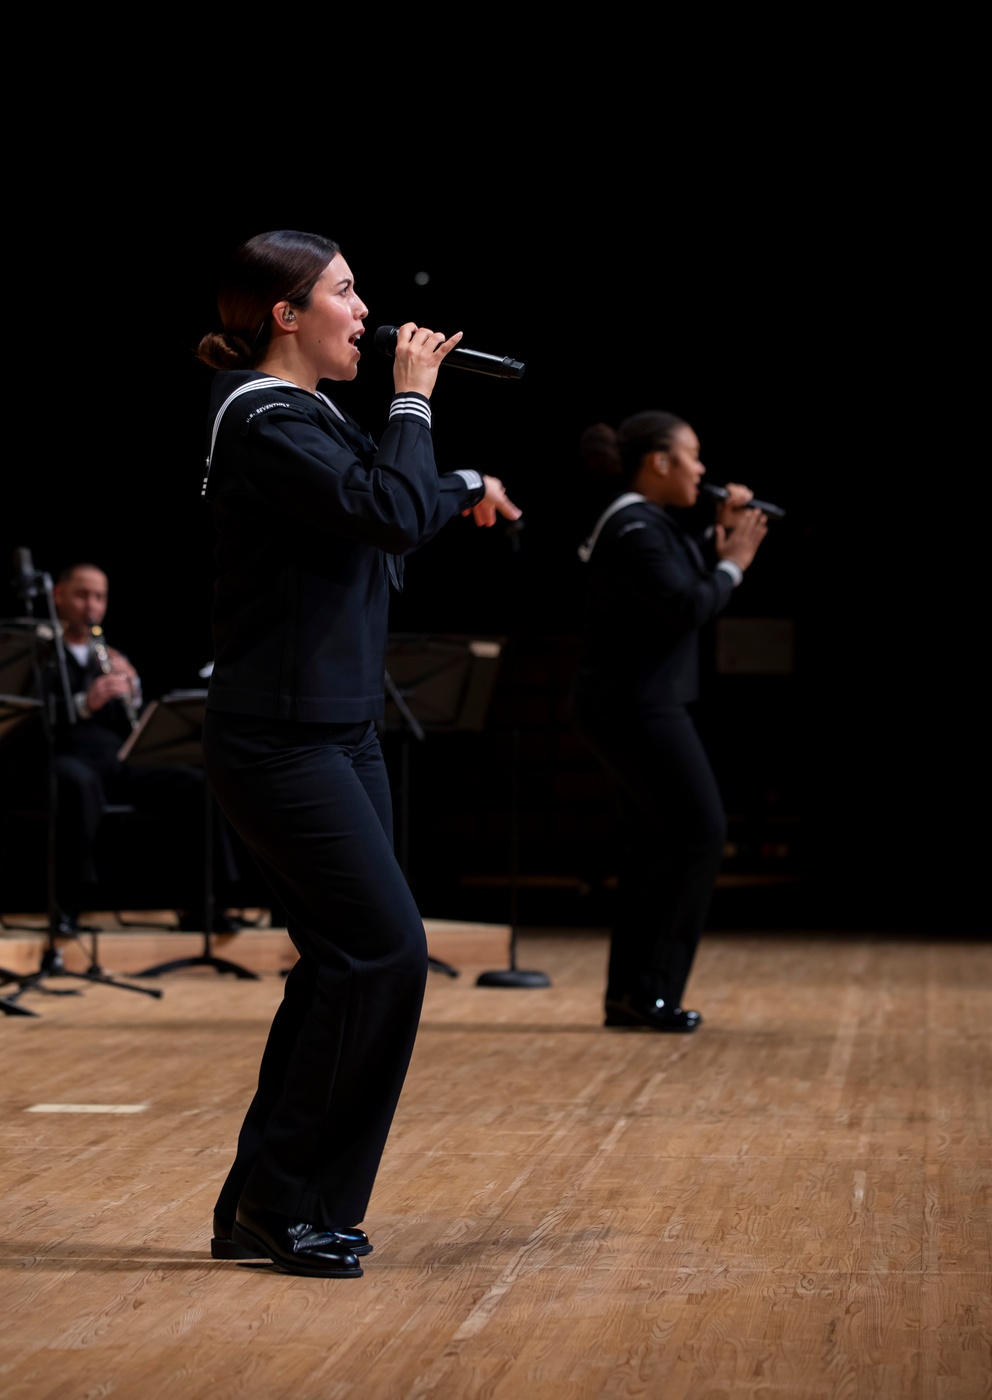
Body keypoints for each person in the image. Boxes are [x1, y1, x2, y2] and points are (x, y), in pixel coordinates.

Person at [196, 229, 521, 1279]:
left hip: (337, 728)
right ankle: (286, 1201)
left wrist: (459, 471)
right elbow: (387, 508)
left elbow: (394, 499)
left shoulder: (312, 419)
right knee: (381, 950)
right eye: (344, 291)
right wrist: (417, 400)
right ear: (285, 315)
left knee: (345, 961)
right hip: (280, 736)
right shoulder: (259, 417)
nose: (366, 310)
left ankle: (265, 1199)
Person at [569, 412, 769, 1033]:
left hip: (634, 701)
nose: (702, 470)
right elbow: (685, 604)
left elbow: (677, 577)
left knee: (657, 844)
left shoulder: (641, 523)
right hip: (636, 705)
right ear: (660, 461)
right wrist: (734, 562)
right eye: (693, 456)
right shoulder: (633, 525)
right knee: (700, 833)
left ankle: (632, 995)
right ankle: (650, 991)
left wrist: (718, 536)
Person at [41, 562, 220, 930]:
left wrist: (132, 690)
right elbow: (33, 718)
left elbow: (132, 725)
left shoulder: (109, 654)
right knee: (77, 783)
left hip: (114, 759)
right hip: (65, 756)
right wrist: (84, 702)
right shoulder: (41, 653)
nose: (91, 605)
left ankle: (202, 904)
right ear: (59, 595)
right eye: (82, 594)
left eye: (99, 597)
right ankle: (69, 906)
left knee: (194, 785)